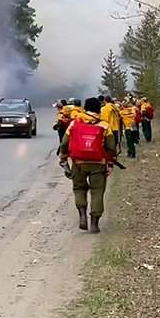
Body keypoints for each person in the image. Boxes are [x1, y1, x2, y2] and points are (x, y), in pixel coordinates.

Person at [58, 97, 117, 233]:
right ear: (98, 109)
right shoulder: (104, 125)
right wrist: (110, 163)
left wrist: (63, 158)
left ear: (85, 108)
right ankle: (95, 223)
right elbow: (111, 147)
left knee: (79, 189)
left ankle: (82, 215)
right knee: (97, 191)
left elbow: (65, 143)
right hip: (98, 164)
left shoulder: (75, 123)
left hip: (78, 163)